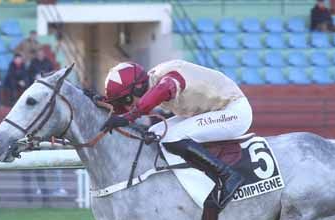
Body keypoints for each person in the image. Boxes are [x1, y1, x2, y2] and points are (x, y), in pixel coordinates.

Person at [100, 60, 251, 209]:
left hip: (232, 111)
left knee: (173, 137)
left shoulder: (167, 77)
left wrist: (129, 117)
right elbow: (129, 106)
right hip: (212, 111)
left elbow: (162, 91)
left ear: (138, 88)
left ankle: (228, 175)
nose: (126, 106)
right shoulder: (152, 81)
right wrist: (99, 102)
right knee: (154, 132)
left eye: (126, 100)